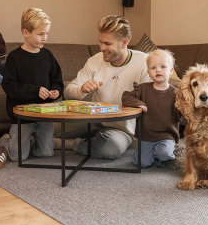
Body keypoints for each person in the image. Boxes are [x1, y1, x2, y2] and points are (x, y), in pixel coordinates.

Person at [63, 15, 150, 160]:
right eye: (100, 42)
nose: (102, 48)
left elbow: (148, 104)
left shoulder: (144, 63)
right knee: (49, 127)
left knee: (110, 147)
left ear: (124, 43)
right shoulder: (94, 61)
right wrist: (82, 89)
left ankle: (71, 144)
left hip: (121, 129)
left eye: (107, 43)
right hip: (92, 120)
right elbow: (68, 92)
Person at [0, 8, 64, 161]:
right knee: (17, 157)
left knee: (46, 154)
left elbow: (57, 80)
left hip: (44, 117)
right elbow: (9, 86)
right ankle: (4, 140)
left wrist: (56, 91)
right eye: (40, 34)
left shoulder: (48, 55)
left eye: (47, 33)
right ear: (26, 32)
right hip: (22, 117)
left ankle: (32, 141)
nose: (45, 38)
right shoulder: (14, 57)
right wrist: (35, 91)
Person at [122, 49, 180, 167]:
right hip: (146, 136)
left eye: (163, 67)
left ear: (171, 70)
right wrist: (138, 103)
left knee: (165, 153)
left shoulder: (176, 93)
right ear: (148, 72)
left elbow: (184, 111)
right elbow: (126, 96)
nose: (158, 70)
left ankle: (169, 152)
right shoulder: (143, 89)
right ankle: (152, 157)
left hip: (166, 135)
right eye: (153, 68)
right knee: (141, 163)